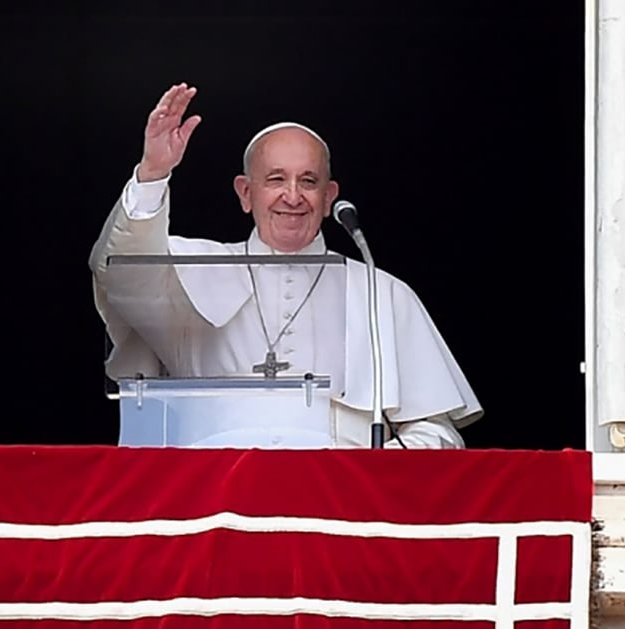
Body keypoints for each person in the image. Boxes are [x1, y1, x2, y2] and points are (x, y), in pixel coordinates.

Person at [89, 83, 482, 449]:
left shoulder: (382, 293)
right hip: (213, 496)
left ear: (329, 197)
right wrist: (153, 174)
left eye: (308, 181)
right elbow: (118, 273)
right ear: (246, 193)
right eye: (276, 179)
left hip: (339, 503)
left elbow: (437, 431)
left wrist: (372, 472)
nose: (292, 196)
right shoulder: (191, 269)